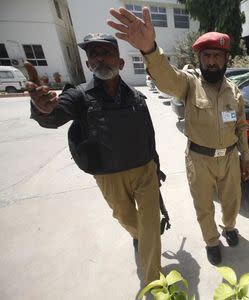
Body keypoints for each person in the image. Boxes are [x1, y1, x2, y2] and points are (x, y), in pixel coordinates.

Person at [108, 7, 249, 265]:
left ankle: (229, 227)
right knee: (203, 205)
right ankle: (211, 241)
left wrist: (246, 158)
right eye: (207, 55)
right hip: (199, 158)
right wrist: (150, 50)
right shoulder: (189, 84)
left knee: (233, 201)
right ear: (200, 59)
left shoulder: (235, 92)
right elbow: (166, 78)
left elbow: (241, 126)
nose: (212, 61)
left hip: (230, 157)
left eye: (218, 56)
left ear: (226, 59)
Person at [25, 33, 163, 283]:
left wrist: (157, 167)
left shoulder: (136, 96)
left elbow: (148, 135)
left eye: (106, 52)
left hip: (144, 171)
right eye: (93, 54)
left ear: (120, 62)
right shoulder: (78, 96)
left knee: (151, 225)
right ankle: (137, 236)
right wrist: (42, 109)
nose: (100, 58)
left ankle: (155, 280)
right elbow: (55, 116)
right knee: (129, 221)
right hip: (108, 175)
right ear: (88, 64)